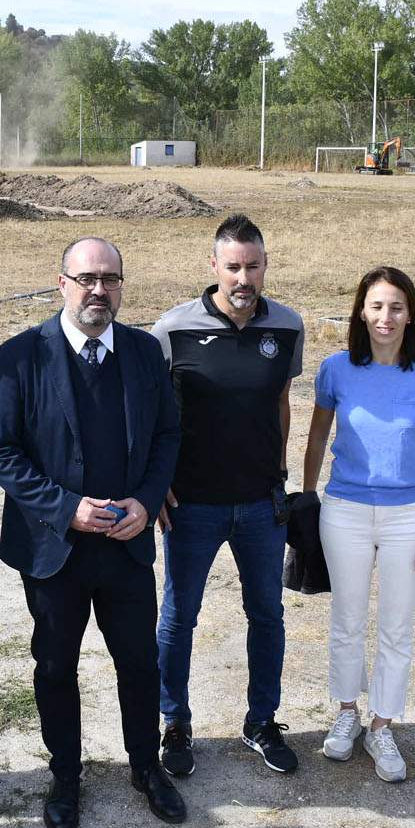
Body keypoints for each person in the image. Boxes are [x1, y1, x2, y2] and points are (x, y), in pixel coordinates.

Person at [0, 237, 186, 828]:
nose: (99, 290)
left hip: (125, 544)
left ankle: (146, 767)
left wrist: (147, 503)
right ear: (62, 283)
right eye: (87, 278)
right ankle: (66, 774)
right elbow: (0, 450)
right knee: (54, 665)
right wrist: (66, 508)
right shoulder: (22, 356)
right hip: (54, 549)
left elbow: (169, 436)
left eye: (111, 279)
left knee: (139, 664)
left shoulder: (146, 353)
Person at [149, 214, 305, 778]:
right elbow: (153, 415)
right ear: (213, 266)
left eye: (253, 266)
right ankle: (174, 723)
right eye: (233, 266)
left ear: (266, 266)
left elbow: (282, 399)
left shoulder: (288, 326)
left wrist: (282, 471)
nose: (244, 277)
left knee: (267, 614)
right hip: (193, 505)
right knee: (178, 617)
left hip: (263, 506)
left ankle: (262, 722)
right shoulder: (171, 330)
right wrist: (158, 480)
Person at [301, 266, 415, 783]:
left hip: (409, 514)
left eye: (395, 306)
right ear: (360, 312)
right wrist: (306, 497)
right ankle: (346, 713)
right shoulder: (336, 369)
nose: (385, 317)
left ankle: (381, 724)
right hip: (344, 509)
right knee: (346, 618)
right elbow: (318, 437)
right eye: (375, 306)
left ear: (411, 314)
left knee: (396, 623)